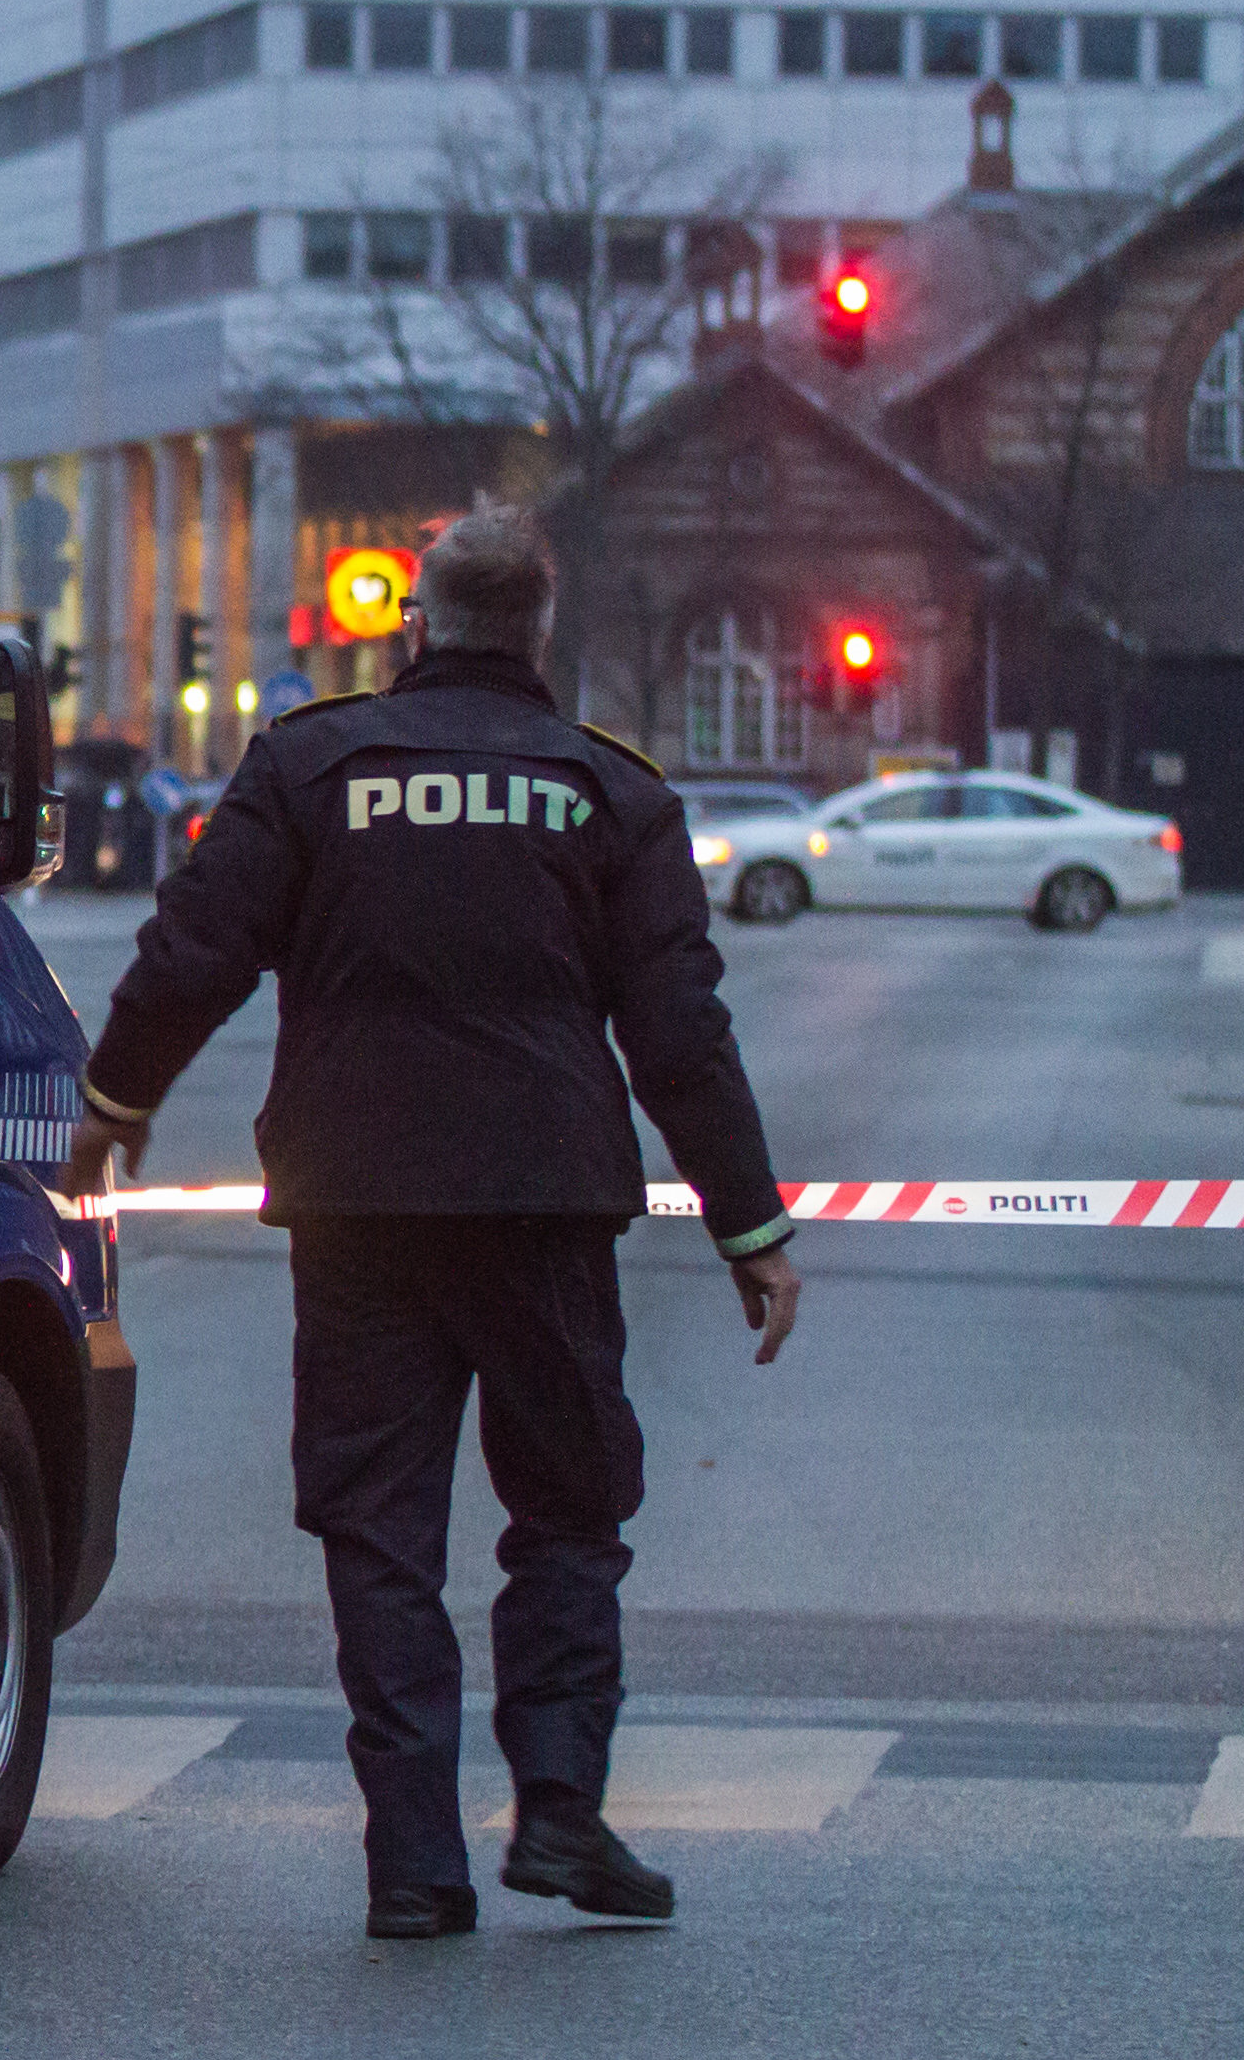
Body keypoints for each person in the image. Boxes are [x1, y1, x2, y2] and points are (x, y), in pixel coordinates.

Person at [58, 503, 802, 1943]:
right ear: (539, 627)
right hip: (542, 1204)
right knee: (571, 1509)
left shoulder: (313, 765)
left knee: (378, 1528)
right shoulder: (611, 794)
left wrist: (116, 1096)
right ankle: (563, 1812)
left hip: (359, 1202)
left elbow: (195, 947)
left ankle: (413, 1861)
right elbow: (678, 1033)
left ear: (417, 622)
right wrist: (750, 1225)